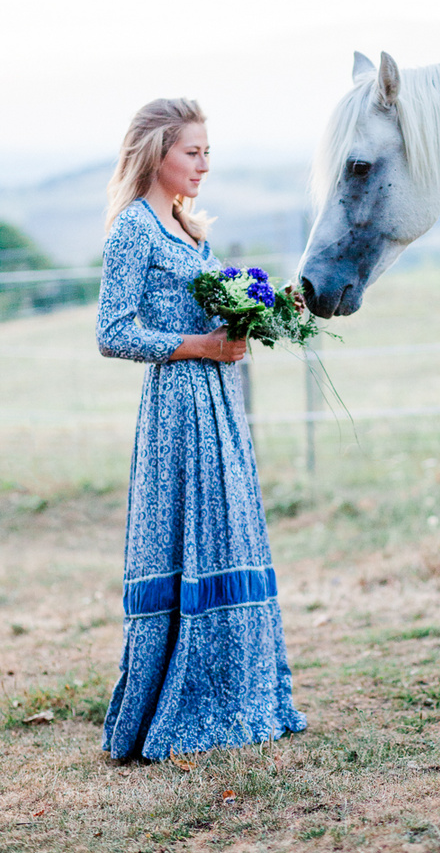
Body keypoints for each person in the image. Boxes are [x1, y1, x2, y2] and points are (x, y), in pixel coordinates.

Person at [96, 98, 306, 760]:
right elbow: (113, 332)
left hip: (219, 405)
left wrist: (256, 319)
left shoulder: (190, 228)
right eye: (193, 151)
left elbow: (214, 319)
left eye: (208, 152)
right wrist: (199, 347)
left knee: (226, 535)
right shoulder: (136, 229)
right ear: (157, 153)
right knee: (191, 540)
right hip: (177, 411)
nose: (204, 164)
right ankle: (181, 705)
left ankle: (242, 700)